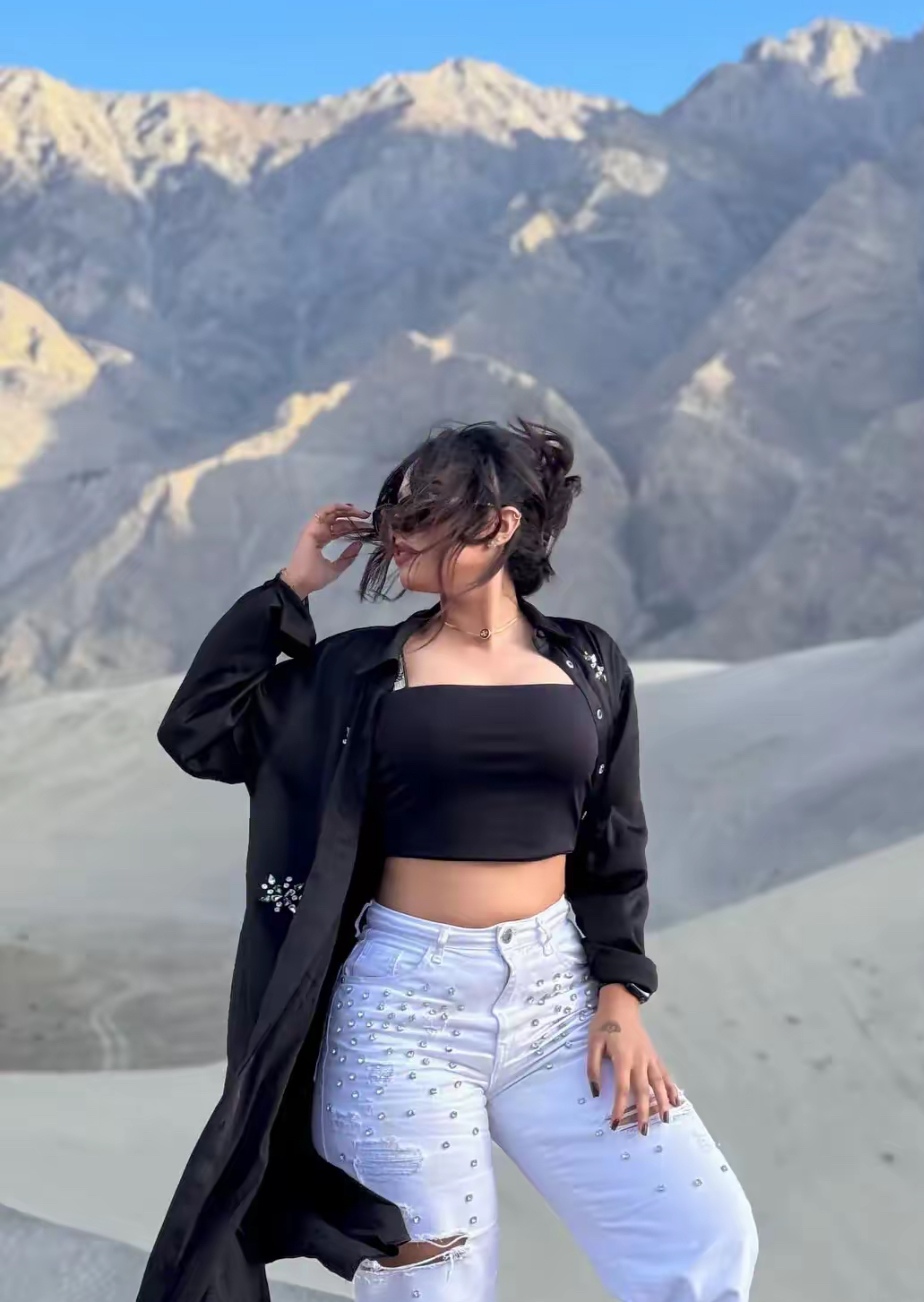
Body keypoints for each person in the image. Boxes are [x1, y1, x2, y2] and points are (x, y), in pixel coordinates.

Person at [137, 417, 758, 1302]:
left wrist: (621, 997)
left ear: (500, 526)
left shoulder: (589, 665)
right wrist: (289, 591)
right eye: (395, 511)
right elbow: (199, 730)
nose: (397, 534)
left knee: (702, 1236)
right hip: (401, 1016)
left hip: (558, 1007)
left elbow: (613, 844)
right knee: (437, 1284)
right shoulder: (356, 673)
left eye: (423, 514)